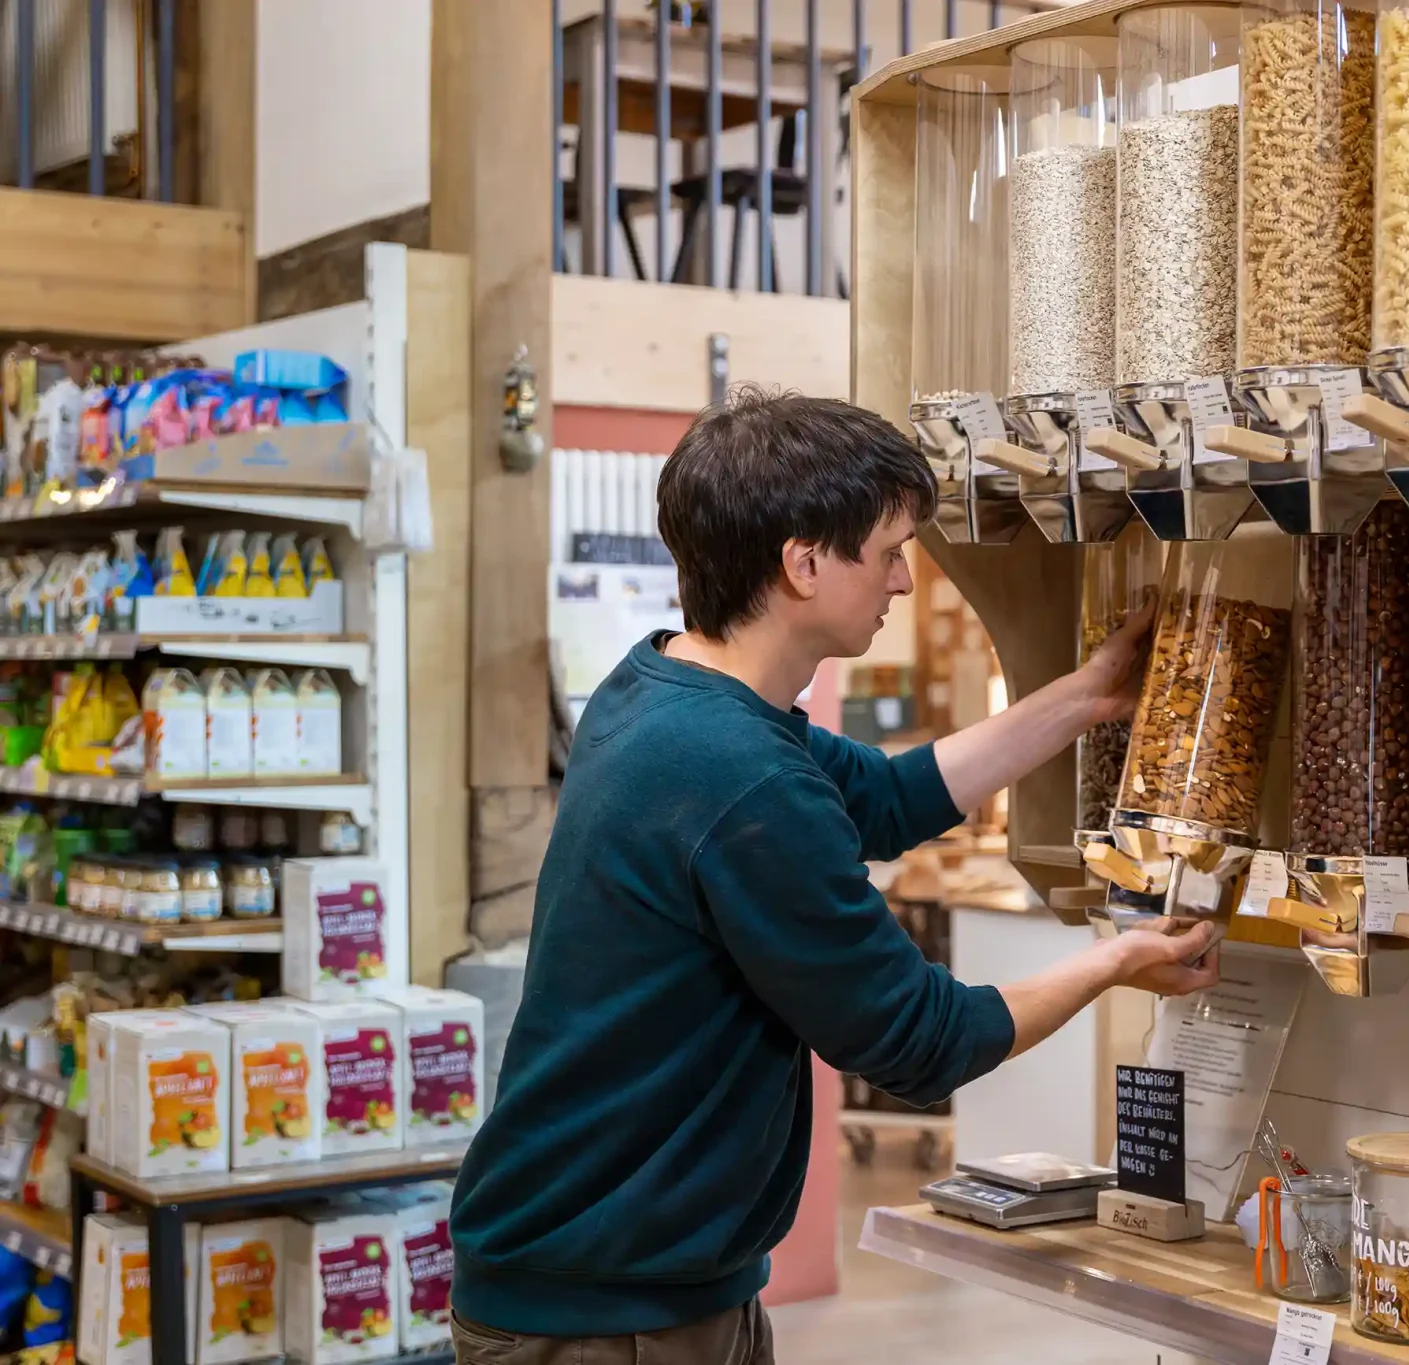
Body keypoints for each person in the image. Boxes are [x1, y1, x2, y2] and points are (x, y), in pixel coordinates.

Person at [448, 387, 1224, 1365]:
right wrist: (1115, 961)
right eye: (889, 550)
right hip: (604, 1317)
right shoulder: (737, 773)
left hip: (632, 1284)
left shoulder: (661, 690)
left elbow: (887, 798)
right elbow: (922, 1040)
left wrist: (1082, 696)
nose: (903, 579)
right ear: (803, 564)